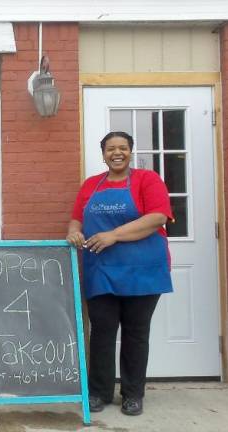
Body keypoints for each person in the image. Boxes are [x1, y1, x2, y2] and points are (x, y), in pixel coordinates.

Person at [65, 131, 173, 416]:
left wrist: (113, 235)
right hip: (101, 269)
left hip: (143, 270)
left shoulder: (147, 180)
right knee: (101, 332)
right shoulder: (90, 185)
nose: (117, 153)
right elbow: (77, 219)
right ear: (103, 154)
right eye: (111, 148)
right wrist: (74, 233)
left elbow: (157, 218)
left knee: (136, 333)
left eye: (123, 148)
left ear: (130, 151)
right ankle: (99, 392)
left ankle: (133, 394)